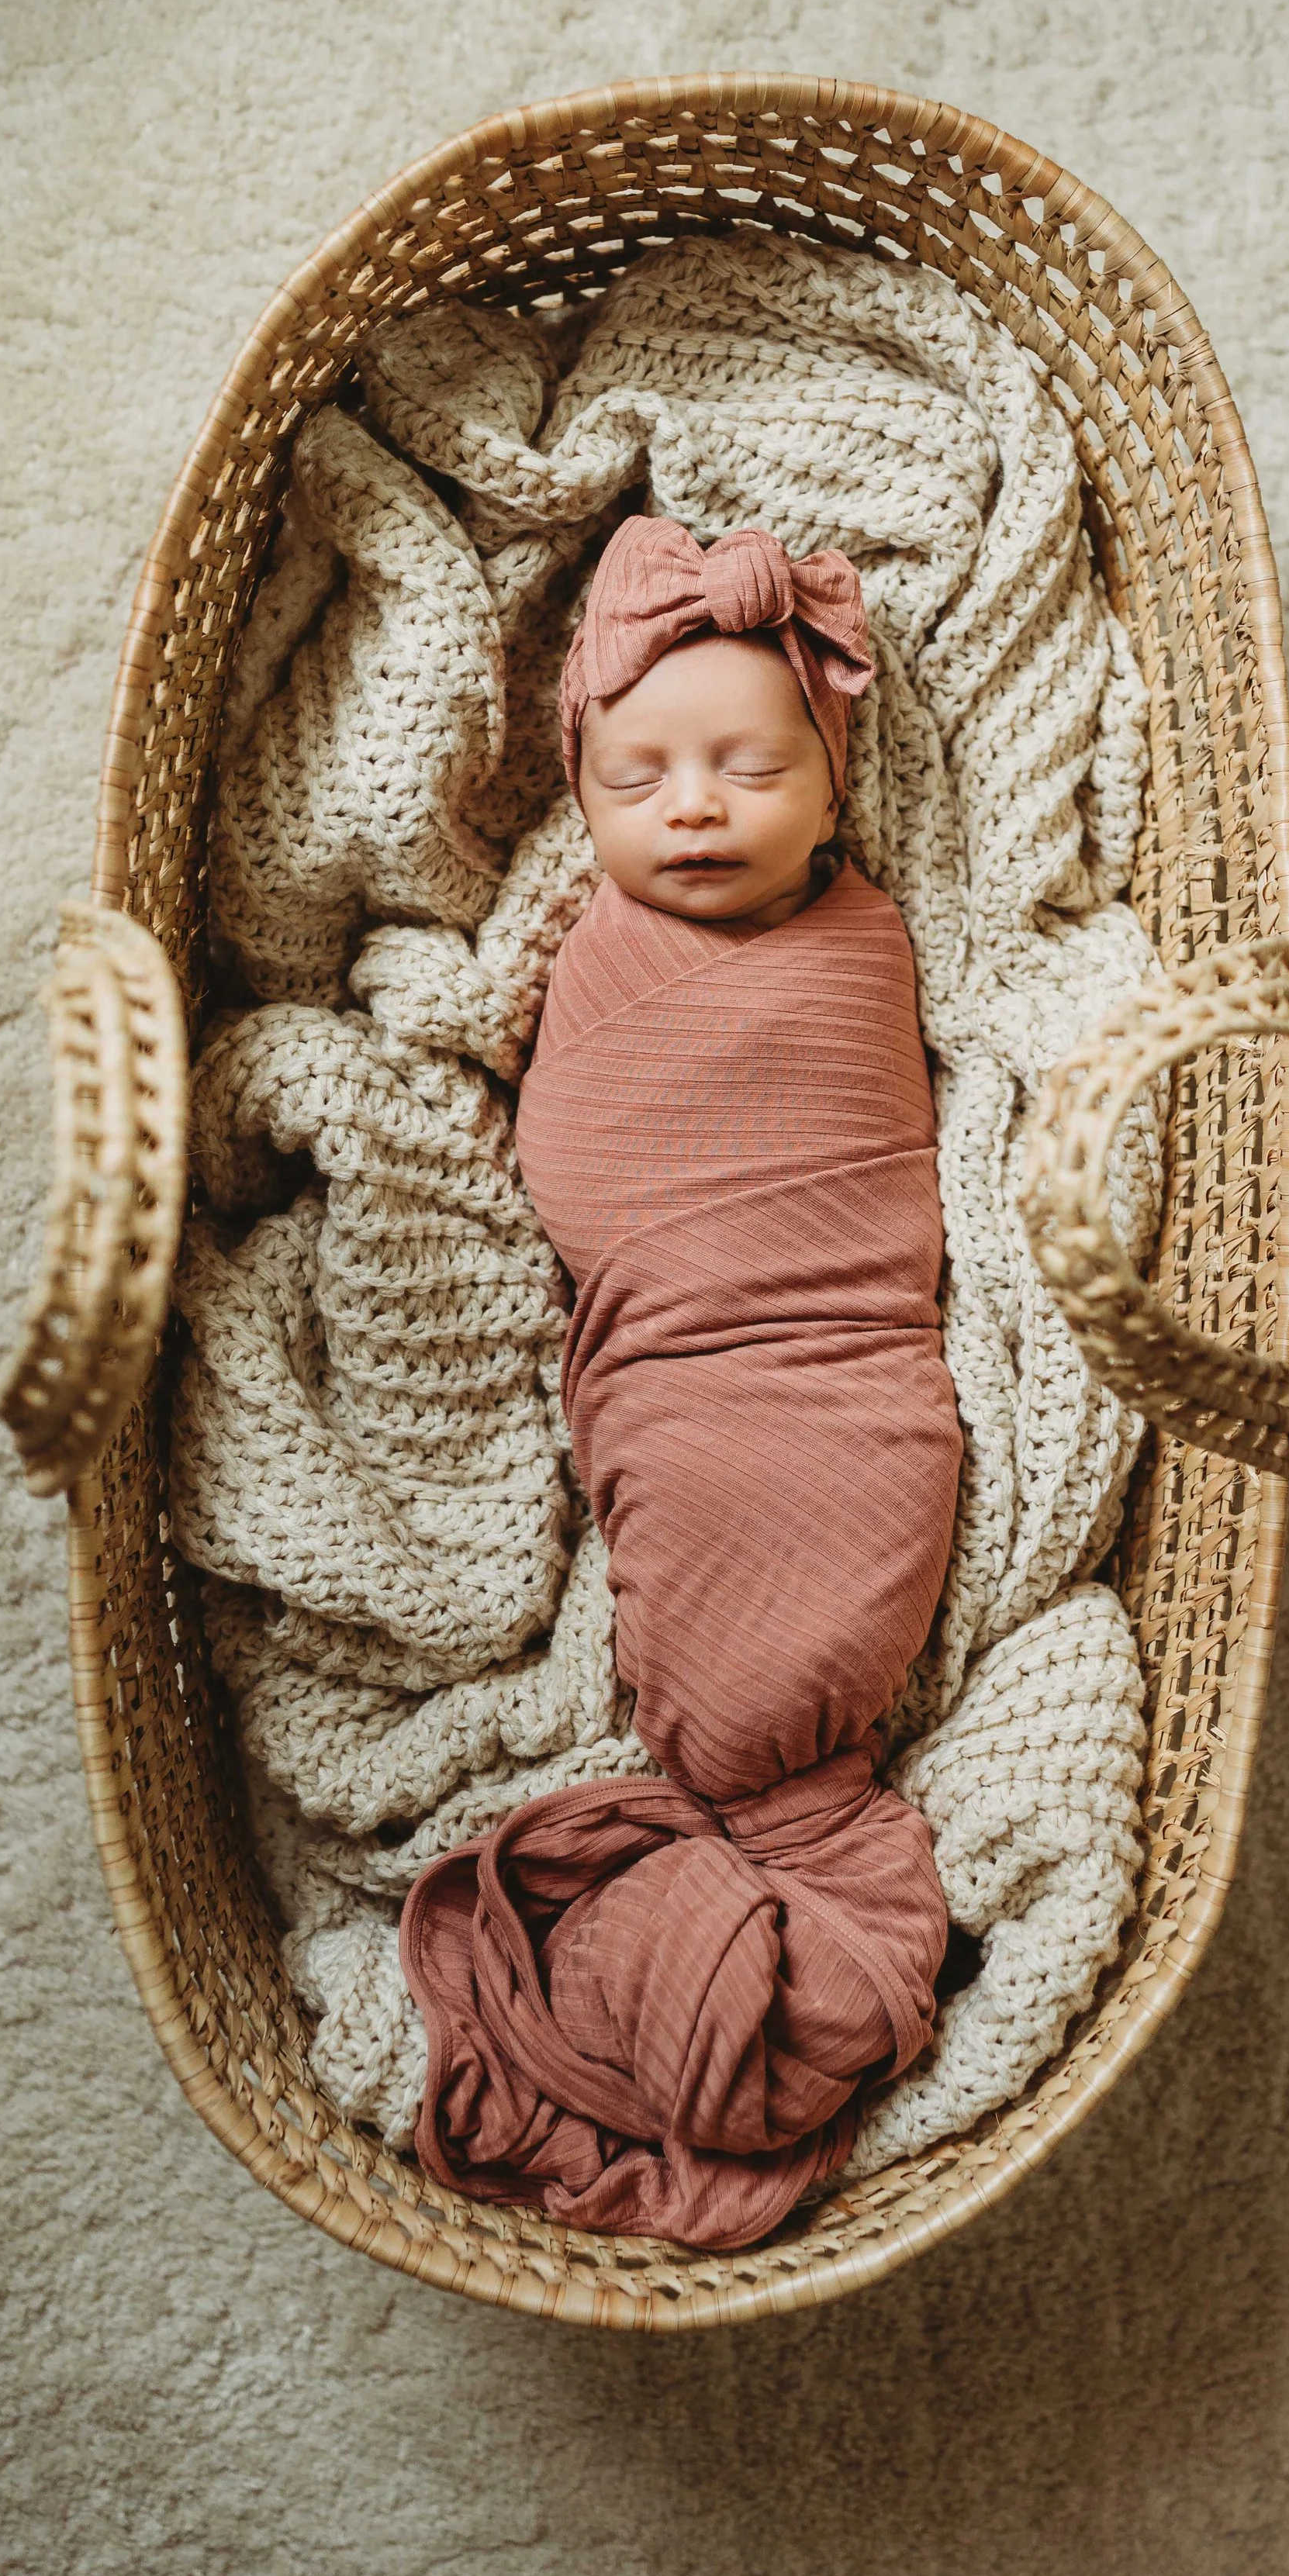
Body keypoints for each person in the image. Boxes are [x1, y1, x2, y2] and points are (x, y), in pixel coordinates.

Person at [399, 516, 965, 2249]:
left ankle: (762, 1806)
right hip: (670, 1357)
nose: (692, 806)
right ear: (578, 800)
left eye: (746, 766)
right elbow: (451, 1057)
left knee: (802, 1540)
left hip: (834, 1365)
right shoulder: (569, 942)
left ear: (832, 787)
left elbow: (893, 1176)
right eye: (637, 777)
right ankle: (747, 1819)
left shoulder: (861, 946)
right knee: (697, 1511)